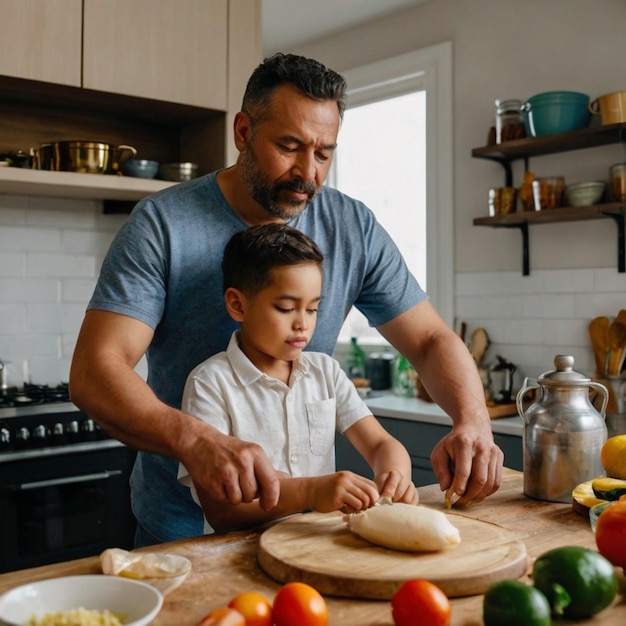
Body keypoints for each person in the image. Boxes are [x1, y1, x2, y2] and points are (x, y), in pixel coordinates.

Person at [69, 52, 503, 547]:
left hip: (311, 541)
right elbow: (96, 369)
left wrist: (473, 421)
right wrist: (196, 440)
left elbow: (428, 339)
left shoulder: (353, 227)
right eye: (290, 146)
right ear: (242, 132)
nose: (308, 173)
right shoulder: (162, 225)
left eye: (324, 153)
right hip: (186, 535)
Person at [178, 223, 418, 534]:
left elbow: (381, 444)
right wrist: (310, 492)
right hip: (239, 557)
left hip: (317, 548)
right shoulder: (210, 384)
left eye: (313, 309)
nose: (302, 324)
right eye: (286, 308)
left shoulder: (325, 372)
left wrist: (395, 475)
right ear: (238, 304)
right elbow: (221, 512)